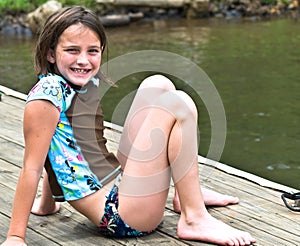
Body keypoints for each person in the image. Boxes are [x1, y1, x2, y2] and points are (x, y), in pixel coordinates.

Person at [1, 6, 256, 246]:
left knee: (158, 84)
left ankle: (187, 193)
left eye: (93, 51)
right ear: (50, 52)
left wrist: (48, 204)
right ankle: (194, 218)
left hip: (118, 185)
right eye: (72, 50)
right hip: (119, 215)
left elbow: (62, 145)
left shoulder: (79, 83)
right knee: (178, 103)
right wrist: (15, 236)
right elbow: (32, 166)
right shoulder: (45, 98)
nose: (84, 60)